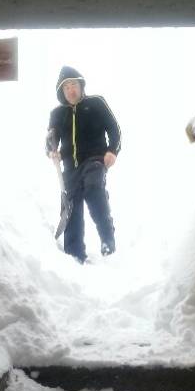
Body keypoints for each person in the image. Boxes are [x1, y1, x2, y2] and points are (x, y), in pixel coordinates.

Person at [46, 66, 121, 264]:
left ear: (81, 86)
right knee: (71, 207)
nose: (71, 90)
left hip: (95, 159)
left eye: (74, 85)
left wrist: (112, 150)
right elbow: (51, 138)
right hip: (70, 167)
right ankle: (74, 254)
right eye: (67, 87)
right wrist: (52, 151)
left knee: (94, 188)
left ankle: (107, 240)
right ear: (62, 92)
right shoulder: (57, 113)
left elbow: (114, 129)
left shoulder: (96, 103)